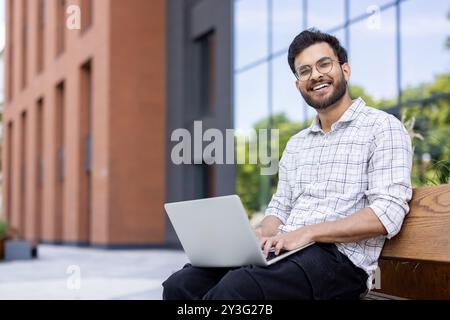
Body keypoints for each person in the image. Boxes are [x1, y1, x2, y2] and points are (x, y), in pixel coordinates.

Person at [162, 29, 413, 300]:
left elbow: (386, 213)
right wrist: (257, 235)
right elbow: (279, 208)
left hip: (339, 262)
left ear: (345, 70)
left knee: (236, 291)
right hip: (286, 250)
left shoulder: (382, 127)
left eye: (324, 64)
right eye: (304, 71)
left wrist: (306, 234)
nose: (315, 75)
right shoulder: (297, 143)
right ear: (298, 85)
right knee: (181, 285)